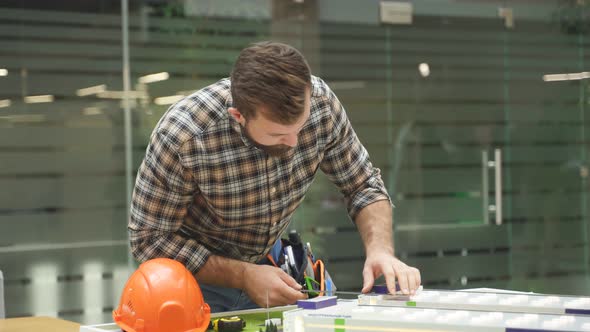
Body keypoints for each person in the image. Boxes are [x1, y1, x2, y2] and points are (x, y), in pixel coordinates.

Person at [129, 41, 421, 312]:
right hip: (196, 284)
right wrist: (244, 275)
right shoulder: (185, 135)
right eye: (278, 134)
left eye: (301, 126)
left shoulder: (321, 104)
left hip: (276, 266)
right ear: (238, 116)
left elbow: (363, 184)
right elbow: (148, 239)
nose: (294, 142)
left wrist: (381, 251)